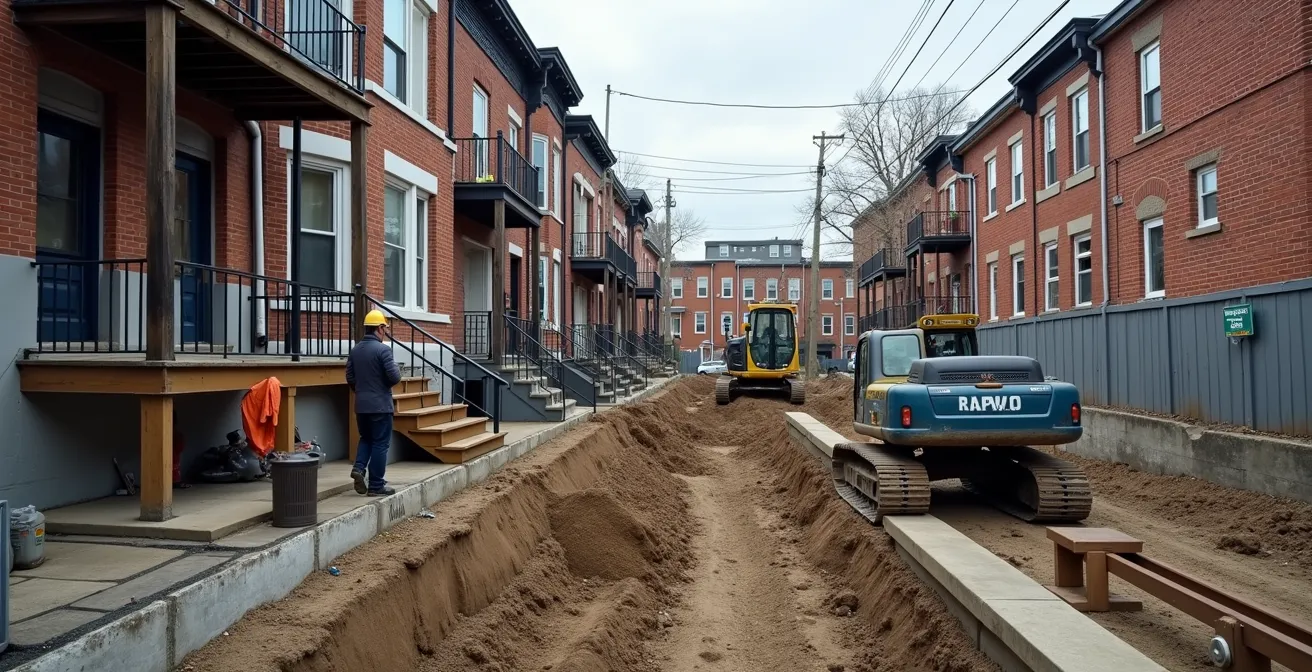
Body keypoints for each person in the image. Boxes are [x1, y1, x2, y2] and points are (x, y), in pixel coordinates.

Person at [347, 310, 402, 496]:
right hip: (380, 405)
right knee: (380, 443)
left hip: (361, 405)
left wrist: (361, 391)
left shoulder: (355, 350)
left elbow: (350, 377)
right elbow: (394, 377)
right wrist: (382, 386)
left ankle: (359, 468)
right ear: (379, 328)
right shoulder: (383, 350)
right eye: (385, 328)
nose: (385, 332)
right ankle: (376, 485)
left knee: (366, 438)